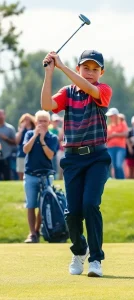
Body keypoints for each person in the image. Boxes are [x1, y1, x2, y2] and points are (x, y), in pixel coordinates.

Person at [41, 49, 112, 277]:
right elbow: (46, 105)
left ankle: (96, 260)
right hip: (72, 159)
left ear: (101, 72)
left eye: (95, 69)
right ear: (79, 67)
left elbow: (90, 88)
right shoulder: (68, 92)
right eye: (86, 68)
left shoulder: (102, 90)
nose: (90, 73)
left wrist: (62, 67)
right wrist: (50, 73)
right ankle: (79, 250)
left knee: (91, 205)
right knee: (72, 213)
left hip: (97, 158)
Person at [23, 110, 58, 243]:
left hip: (46, 175)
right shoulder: (29, 134)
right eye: (40, 121)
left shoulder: (52, 138)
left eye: (45, 121)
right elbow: (25, 149)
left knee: (44, 205)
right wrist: (35, 137)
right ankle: (32, 233)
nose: (42, 123)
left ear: (49, 123)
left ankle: (37, 231)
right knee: (31, 204)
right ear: (36, 122)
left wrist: (42, 140)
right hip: (30, 174)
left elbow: (50, 155)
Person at [106, 108, 128, 179]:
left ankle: (121, 179)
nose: (110, 117)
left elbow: (126, 134)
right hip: (110, 147)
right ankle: (116, 179)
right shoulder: (109, 127)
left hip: (120, 147)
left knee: (119, 164)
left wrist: (115, 134)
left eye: (111, 116)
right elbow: (106, 138)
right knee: (113, 165)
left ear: (116, 116)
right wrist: (112, 135)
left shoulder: (122, 124)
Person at [16, 113, 35, 180]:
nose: (26, 121)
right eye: (24, 120)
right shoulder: (21, 130)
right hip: (21, 153)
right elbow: (17, 141)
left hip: (31, 153)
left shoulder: (34, 129)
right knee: (21, 172)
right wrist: (21, 130)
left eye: (27, 119)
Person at [0, 109, 16, 180]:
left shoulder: (10, 128)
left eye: (1, 114)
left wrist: (5, 138)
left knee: (7, 177)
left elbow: (15, 143)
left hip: (7, 156)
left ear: (4, 115)